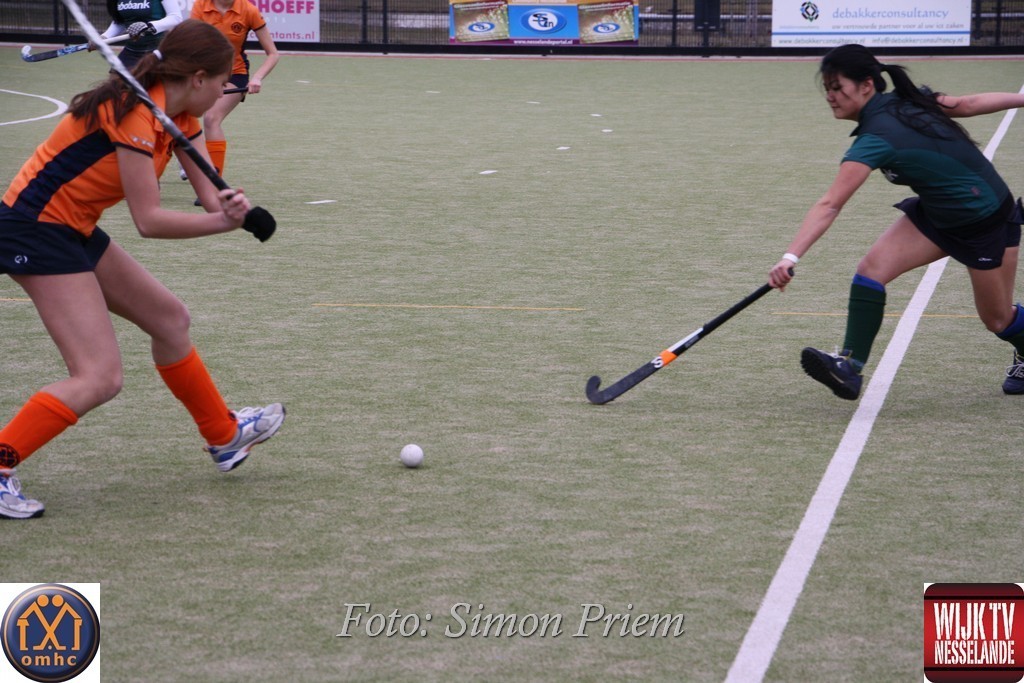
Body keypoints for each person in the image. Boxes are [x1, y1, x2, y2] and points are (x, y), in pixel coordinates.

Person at [0, 19, 285, 520]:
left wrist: (233, 209)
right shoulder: (133, 116)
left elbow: (208, 197)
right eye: (224, 82)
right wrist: (225, 224)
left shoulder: (181, 116)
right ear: (198, 78)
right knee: (100, 376)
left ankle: (224, 436)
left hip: (73, 227)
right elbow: (148, 221)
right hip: (34, 228)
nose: (226, 92)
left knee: (170, 320)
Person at [769, 43, 1024, 401]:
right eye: (827, 88)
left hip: (985, 221)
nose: (830, 96)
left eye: (837, 87)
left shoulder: (880, 135)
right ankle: (849, 367)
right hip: (938, 213)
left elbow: (830, 204)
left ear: (866, 85)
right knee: (871, 271)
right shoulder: (900, 105)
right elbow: (966, 104)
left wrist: (790, 257)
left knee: (997, 319)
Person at [187, 0, 279, 187]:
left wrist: (257, 78)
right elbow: (189, 45)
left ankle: (213, 184)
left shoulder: (248, 10)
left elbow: (273, 53)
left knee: (211, 119)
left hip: (234, 74)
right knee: (180, 117)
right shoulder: (201, 6)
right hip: (204, 74)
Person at [96, 0, 185, 70]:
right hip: (131, 52)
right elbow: (120, 22)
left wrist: (148, 26)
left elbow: (176, 18)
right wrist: (104, 37)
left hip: (158, 51)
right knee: (115, 84)